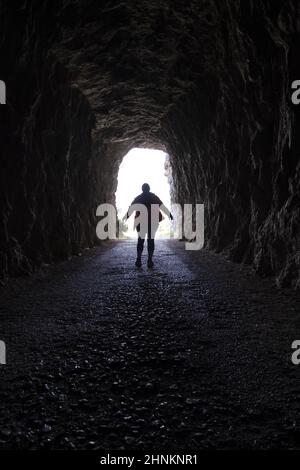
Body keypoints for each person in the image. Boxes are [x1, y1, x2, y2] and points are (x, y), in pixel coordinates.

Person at [123, 183, 173, 268]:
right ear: (149, 189)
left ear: (142, 189)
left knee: (141, 240)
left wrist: (126, 216)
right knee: (150, 240)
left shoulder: (138, 198)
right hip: (152, 222)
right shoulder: (154, 197)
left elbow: (131, 208)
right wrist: (169, 214)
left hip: (141, 222)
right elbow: (162, 206)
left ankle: (139, 259)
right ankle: (149, 260)